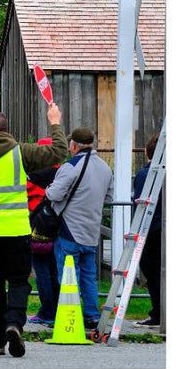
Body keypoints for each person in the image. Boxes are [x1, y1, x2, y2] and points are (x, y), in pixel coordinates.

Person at [0, 105, 68, 357]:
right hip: (17, 230)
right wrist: (54, 122)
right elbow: (60, 151)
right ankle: (14, 324)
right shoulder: (22, 152)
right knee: (18, 282)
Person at [45, 127, 114, 330]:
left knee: (68, 276)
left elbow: (55, 194)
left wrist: (48, 189)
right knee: (88, 275)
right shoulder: (105, 168)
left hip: (69, 229)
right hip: (91, 231)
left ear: (73, 145)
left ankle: (69, 316)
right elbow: (109, 197)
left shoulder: (70, 166)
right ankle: (92, 316)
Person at [26, 138, 61, 326]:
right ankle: (56, 309)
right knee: (54, 270)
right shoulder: (62, 173)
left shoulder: (34, 175)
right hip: (57, 225)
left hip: (38, 225)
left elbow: (23, 192)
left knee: (42, 270)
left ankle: (47, 311)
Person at [133, 132, 163, 327]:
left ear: (146, 152)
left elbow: (139, 204)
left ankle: (158, 313)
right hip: (161, 226)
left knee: (152, 272)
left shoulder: (146, 175)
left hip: (150, 229)